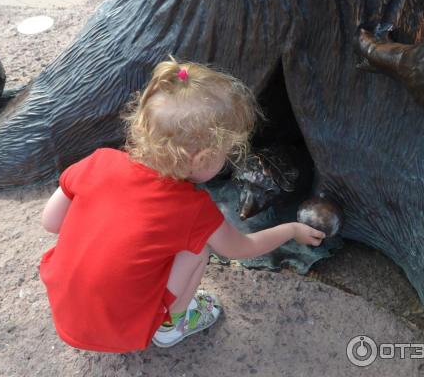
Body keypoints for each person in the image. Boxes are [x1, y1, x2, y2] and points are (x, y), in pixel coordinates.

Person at [39, 57, 326, 353]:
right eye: (225, 154)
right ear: (203, 159)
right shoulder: (192, 208)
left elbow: (50, 222)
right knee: (197, 250)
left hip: (64, 307)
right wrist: (291, 229)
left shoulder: (99, 160)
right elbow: (242, 247)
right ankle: (170, 326)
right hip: (120, 331)